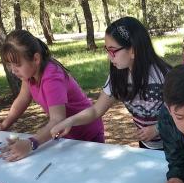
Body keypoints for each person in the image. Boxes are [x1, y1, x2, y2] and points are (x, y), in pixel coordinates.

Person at [0, 30, 104, 161]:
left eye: (17, 64)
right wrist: (3, 125)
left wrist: (30, 144)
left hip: (87, 135)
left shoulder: (51, 76)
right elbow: (23, 99)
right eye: (9, 65)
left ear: (36, 59)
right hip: (66, 135)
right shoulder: (30, 75)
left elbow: (57, 119)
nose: (13, 70)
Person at [50, 17, 170, 150]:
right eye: (107, 50)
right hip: (148, 145)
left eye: (112, 50)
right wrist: (70, 121)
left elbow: (183, 113)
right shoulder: (118, 76)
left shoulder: (165, 76)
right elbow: (96, 110)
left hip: (175, 143)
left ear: (133, 50)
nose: (109, 56)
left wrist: (158, 128)